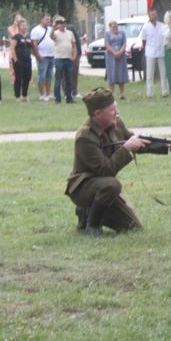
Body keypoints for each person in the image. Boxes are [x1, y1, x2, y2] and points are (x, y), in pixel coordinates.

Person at [65, 88, 152, 237]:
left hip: (103, 187)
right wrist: (126, 149)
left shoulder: (116, 123)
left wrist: (164, 146)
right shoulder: (85, 137)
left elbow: (135, 141)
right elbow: (106, 170)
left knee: (133, 227)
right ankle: (92, 224)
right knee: (112, 184)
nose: (117, 113)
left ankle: (87, 211)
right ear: (98, 114)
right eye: (112, 110)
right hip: (84, 187)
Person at [140, 9, 168, 98]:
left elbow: (166, 36)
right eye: (152, 15)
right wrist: (146, 49)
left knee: (163, 72)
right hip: (150, 51)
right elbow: (143, 40)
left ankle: (164, 91)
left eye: (155, 14)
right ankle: (149, 93)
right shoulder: (146, 27)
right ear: (149, 16)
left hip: (161, 51)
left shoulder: (162, 26)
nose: (154, 16)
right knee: (149, 74)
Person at [51, 16, 78, 104]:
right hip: (59, 58)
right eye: (60, 23)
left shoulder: (70, 33)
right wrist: (53, 27)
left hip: (68, 58)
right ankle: (57, 98)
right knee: (58, 78)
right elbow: (51, 36)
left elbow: (74, 45)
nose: (62, 25)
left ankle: (69, 97)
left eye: (63, 23)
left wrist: (74, 55)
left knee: (69, 79)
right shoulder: (56, 33)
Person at [30, 14, 55, 102]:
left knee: (49, 75)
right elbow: (34, 44)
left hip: (51, 55)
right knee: (42, 75)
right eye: (46, 19)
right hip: (42, 56)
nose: (48, 21)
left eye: (49, 19)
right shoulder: (36, 30)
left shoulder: (51, 29)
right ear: (41, 19)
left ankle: (48, 93)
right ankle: (42, 94)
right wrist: (38, 55)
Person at [10, 18, 36, 102]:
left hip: (27, 60)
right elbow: (12, 48)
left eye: (25, 25)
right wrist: (15, 60)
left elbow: (31, 48)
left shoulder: (28, 37)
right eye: (23, 25)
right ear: (19, 27)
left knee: (27, 77)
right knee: (18, 78)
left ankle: (24, 95)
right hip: (19, 60)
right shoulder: (16, 37)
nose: (25, 27)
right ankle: (17, 95)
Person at [104, 20, 129, 99]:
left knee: (121, 74)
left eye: (116, 26)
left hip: (121, 56)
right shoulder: (107, 34)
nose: (115, 28)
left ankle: (122, 94)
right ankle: (111, 94)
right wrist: (114, 52)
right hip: (111, 57)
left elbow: (124, 43)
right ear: (110, 27)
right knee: (112, 74)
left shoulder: (122, 33)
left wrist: (120, 52)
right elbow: (107, 45)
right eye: (113, 26)